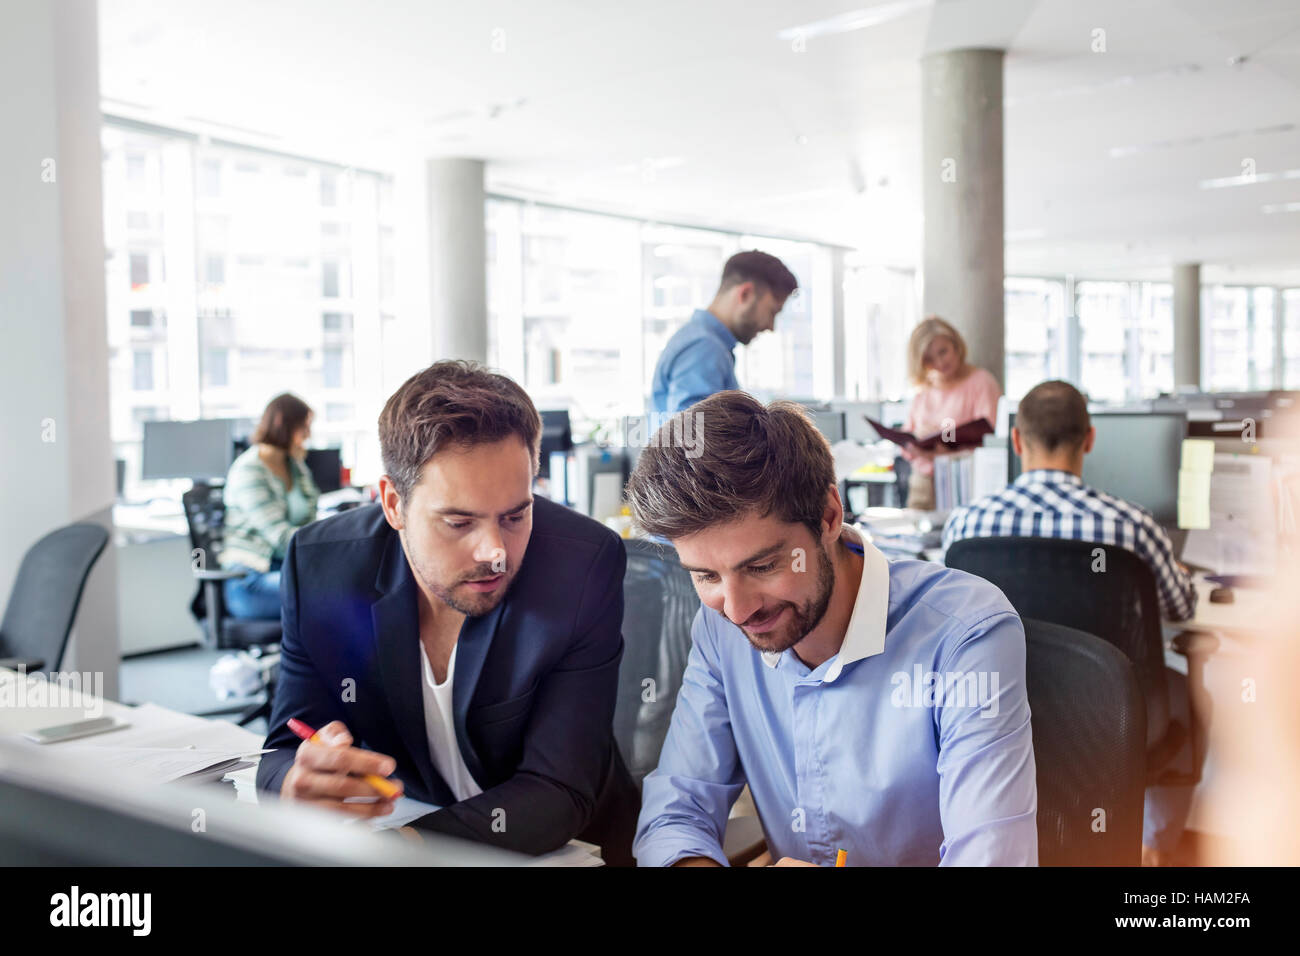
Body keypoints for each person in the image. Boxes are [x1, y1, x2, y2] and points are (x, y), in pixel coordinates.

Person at [625, 391, 1038, 866]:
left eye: (762, 566)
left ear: (828, 516)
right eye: (706, 576)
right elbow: (676, 815)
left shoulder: (966, 635)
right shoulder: (719, 630)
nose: (736, 610)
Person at [256, 361, 639, 863]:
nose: (494, 551)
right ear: (393, 504)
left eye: (515, 515)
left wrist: (409, 850)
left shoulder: (582, 565)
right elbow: (284, 746)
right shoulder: (322, 567)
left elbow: (558, 787)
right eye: (459, 522)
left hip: (570, 850)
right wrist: (295, 781)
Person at [942, 379, 1198, 864]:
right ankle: (1151, 847)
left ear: (1016, 441)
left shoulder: (965, 525)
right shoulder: (1132, 526)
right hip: (1113, 716)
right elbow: (1182, 609)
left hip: (999, 709)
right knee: (1189, 690)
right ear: (1090, 439)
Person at [649, 249, 798, 416]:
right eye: (772, 312)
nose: (771, 327)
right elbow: (692, 437)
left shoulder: (703, 341)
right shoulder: (704, 347)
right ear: (745, 294)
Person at [220, 393, 319, 620]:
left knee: (343, 585)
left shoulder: (295, 466)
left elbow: (312, 523)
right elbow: (281, 538)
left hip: (287, 571)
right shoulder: (249, 470)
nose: (308, 435)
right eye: (304, 427)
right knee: (330, 592)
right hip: (251, 582)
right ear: (282, 422)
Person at [899, 316, 1001, 510]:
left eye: (943, 352)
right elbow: (905, 439)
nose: (939, 362)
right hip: (923, 485)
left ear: (955, 345)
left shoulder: (982, 383)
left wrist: (951, 455)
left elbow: (992, 443)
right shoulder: (923, 391)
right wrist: (915, 445)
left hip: (965, 480)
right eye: (929, 359)